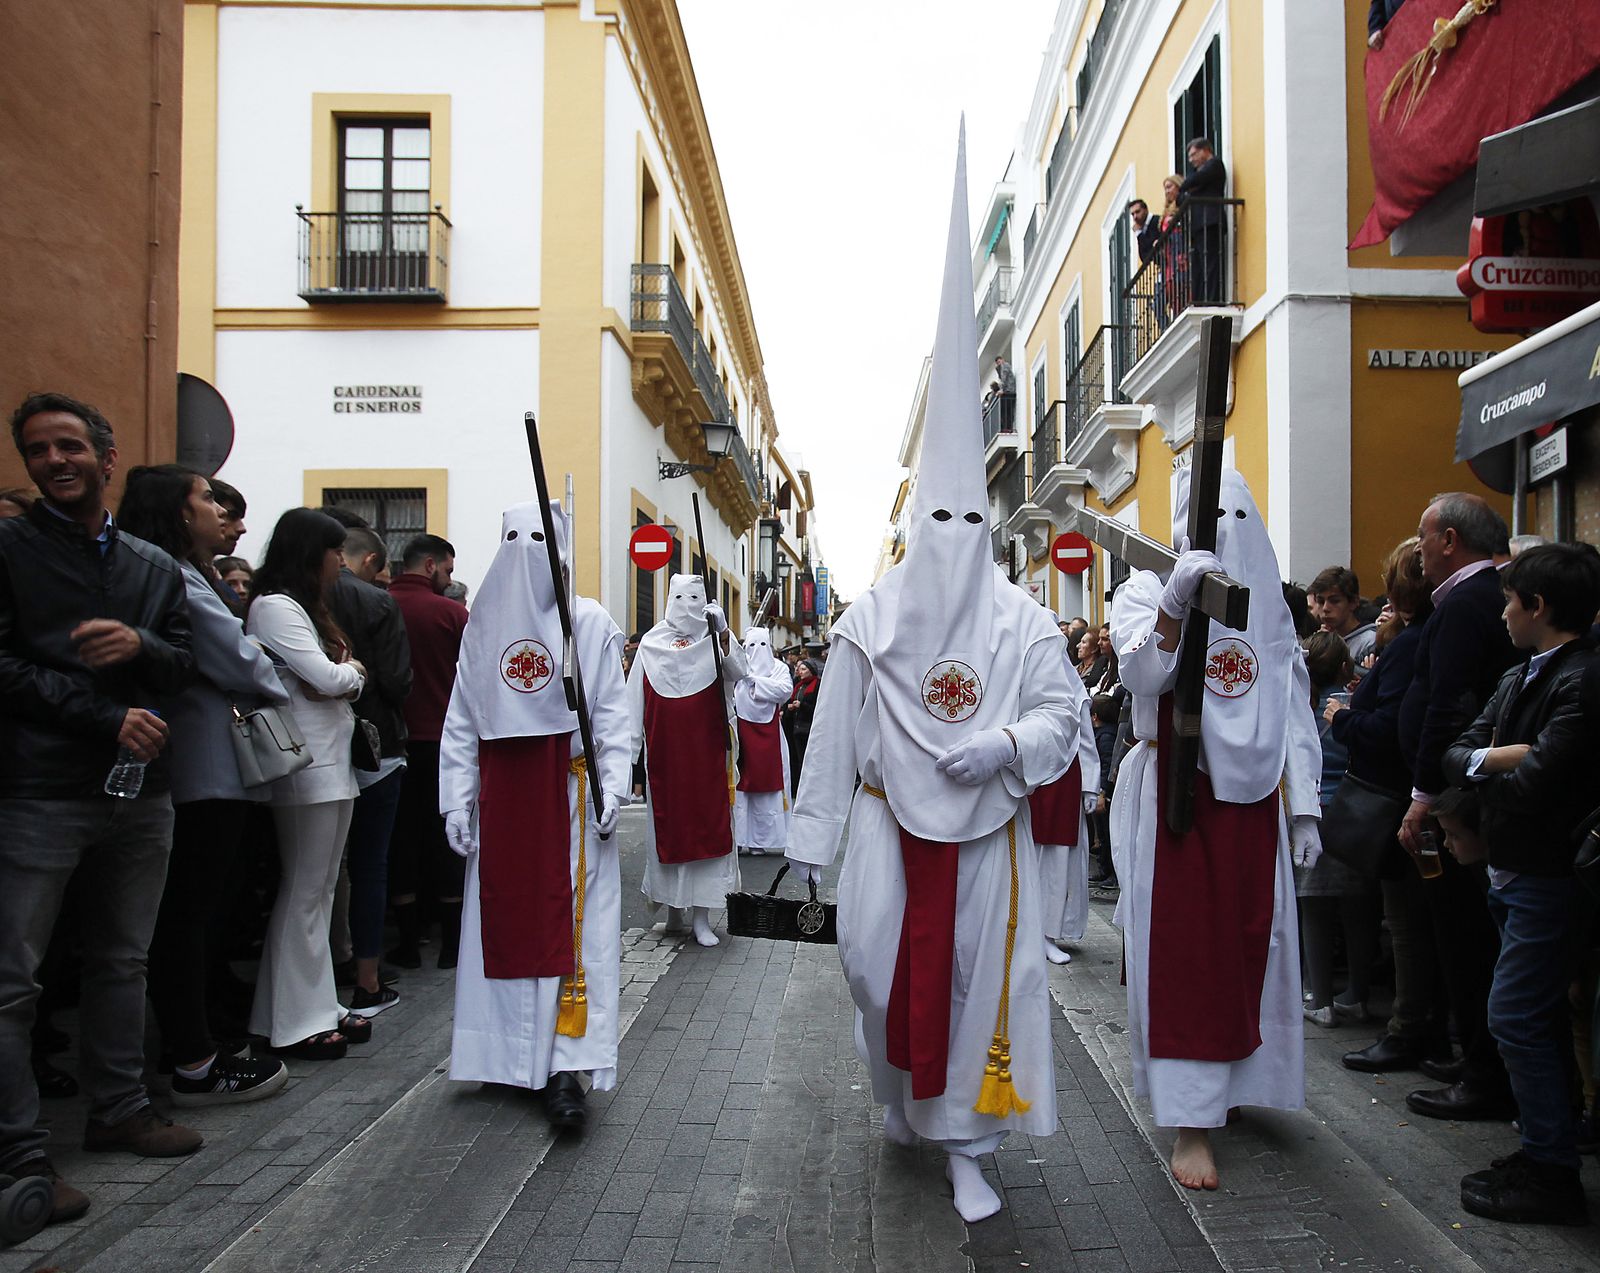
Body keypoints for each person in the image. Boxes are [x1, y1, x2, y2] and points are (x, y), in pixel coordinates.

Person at [785, 134, 1077, 1225]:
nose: (954, 535)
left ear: (989, 525)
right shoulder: (866, 620)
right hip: (878, 824)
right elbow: (830, 733)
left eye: (970, 518)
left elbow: (1060, 719)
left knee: (977, 984)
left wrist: (1005, 746)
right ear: (915, 523)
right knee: (874, 968)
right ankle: (904, 1099)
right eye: (937, 517)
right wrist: (808, 846)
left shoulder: (1024, 618)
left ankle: (968, 1141)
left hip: (985, 830)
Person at [0, 393, 200, 1226]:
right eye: (39, 449)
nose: (56, 460)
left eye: (70, 446)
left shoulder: (151, 566)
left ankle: (120, 1109)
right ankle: (20, 1153)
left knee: (124, 958)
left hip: (139, 791)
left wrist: (143, 647)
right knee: (13, 980)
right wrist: (104, 714)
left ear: (106, 458)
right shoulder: (10, 549)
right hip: (38, 787)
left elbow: (182, 664)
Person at [1109, 467, 1321, 1192]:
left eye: (1238, 514)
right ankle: (1191, 1119)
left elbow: (1292, 705)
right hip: (1176, 791)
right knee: (1187, 953)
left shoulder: (1271, 610)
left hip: (1255, 801)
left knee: (1251, 945)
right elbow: (1141, 676)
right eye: (1211, 516)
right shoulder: (1141, 588)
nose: (1225, 529)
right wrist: (1174, 603)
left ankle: (1242, 1083)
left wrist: (1306, 807)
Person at [441, 501, 629, 1132]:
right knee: (506, 924)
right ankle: (507, 1056)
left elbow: (611, 715)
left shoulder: (589, 622)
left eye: (540, 540)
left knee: (571, 939)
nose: (525, 551)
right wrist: (455, 796)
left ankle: (563, 1065)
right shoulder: (484, 626)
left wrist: (613, 786)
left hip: (570, 801)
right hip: (507, 804)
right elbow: (463, 717)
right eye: (512, 539)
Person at [117, 465, 291, 1104]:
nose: (220, 510)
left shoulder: (182, 572)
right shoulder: (178, 576)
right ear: (176, 510)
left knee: (196, 911)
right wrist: (270, 673)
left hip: (201, 762)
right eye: (206, 498)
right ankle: (193, 1059)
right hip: (202, 765)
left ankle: (196, 1044)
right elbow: (239, 659)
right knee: (191, 913)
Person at [1443, 543, 1600, 1225]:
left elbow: (1541, 785)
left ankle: (1551, 1166)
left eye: (1511, 601)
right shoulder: (1521, 676)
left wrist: (1493, 765)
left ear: (1538, 607)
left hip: (1548, 873)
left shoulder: (1583, 678)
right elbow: (1458, 749)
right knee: (1536, 1015)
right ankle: (1546, 1146)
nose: (1503, 612)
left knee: (1514, 1014)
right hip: (1513, 870)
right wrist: (1501, 755)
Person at [1396, 493, 1518, 1121]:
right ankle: (1472, 1052)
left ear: (1448, 539)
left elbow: (1448, 705)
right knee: (1461, 936)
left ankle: (1484, 1071)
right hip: (1458, 796)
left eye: (1423, 537)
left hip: (1460, 805)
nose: (1417, 549)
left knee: (1469, 939)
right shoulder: (1473, 600)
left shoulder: (1469, 603)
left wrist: (1423, 800)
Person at [245, 508, 370, 1060]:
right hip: (304, 767)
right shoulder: (275, 607)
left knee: (315, 893)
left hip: (326, 763)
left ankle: (308, 1004)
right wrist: (352, 674)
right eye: (334, 550)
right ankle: (297, 1020)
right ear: (309, 552)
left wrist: (343, 679)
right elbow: (329, 677)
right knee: (304, 892)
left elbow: (330, 682)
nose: (340, 561)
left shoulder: (298, 607)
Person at [1333, 538, 1449, 1075]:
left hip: (1397, 800)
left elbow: (1389, 726)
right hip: (1412, 797)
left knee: (1407, 924)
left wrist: (1343, 717)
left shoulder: (1411, 644)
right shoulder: (1412, 639)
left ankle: (1409, 1027)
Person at [627, 573, 748, 947]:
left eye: (694, 597)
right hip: (664, 760)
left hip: (708, 757)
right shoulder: (651, 644)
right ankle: (674, 913)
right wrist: (627, 758)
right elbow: (633, 704)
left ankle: (702, 916)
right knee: (667, 833)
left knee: (709, 834)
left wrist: (724, 635)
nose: (687, 604)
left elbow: (739, 673)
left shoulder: (714, 642)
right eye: (680, 596)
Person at [325, 520, 411, 1016]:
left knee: (318, 872)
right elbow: (398, 680)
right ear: (371, 561)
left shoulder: (292, 600)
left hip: (311, 749)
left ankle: (327, 965)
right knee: (369, 863)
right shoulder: (377, 602)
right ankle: (367, 977)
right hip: (375, 745)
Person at [388, 534, 469, 969]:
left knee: (402, 840)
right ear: (431, 565)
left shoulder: (381, 605)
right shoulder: (451, 614)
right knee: (446, 839)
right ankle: (452, 944)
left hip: (394, 742)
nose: (448, 578)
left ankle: (408, 940)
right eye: (448, 571)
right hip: (442, 740)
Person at [1296, 631, 1380, 1027]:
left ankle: (1320, 997)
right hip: (1355, 812)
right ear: (1346, 667)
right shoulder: (1352, 707)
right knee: (1358, 908)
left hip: (1314, 810)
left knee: (1313, 908)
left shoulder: (1300, 708)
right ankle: (1358, 995)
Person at [1035, 634, 1100, 965]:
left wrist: (1091, 783)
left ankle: (1048, 932)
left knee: (1058, 858)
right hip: (1028, 775)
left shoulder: (1069, 684)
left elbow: (1084, 736)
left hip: (1062, 778)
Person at [733, 627, 793, 856]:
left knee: (768, 787)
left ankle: (760, 841)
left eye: (762, 645)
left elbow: (785, 690)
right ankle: (738, 838)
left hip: (771, 738)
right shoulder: (739, 666)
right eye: (751, 645)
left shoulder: (778, 668)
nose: (756, 650)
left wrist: (754, 681)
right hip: (742, 734)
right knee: (741, 786)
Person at [1178, 138, 1227, 305]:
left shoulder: (1215, 165)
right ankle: (1199, 300)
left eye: (1193, 155)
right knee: (1199, 267)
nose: (1191, 160)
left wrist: (1186, 187)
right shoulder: (1202, 175)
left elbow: (1192, 182)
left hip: (1211, 222)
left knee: (1211, 264)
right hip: (1200, 225)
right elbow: (1181, 198)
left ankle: (1212, 300)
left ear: (1205, 150)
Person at [1308, 566, 1377, 672]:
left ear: (1353, 602)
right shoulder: (1319, 638)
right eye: (1321, 601)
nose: (1325, 608)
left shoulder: (1370, 642)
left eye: (1334, 601)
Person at [783, 656, 821, 795]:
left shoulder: (817, 685)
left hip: (809, 727)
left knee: (810, 759)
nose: (800, 672)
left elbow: (817, 707)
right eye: (800, 669)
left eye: (804, 669)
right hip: (797, 727)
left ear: (811, 671)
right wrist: (789, 709)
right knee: (799, 759)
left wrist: (802, 706)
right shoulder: (798, 686)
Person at [1158, 175, 1188, 318]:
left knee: (1181, 284)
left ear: (1178, 186)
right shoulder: (1166, 212)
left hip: (1179, 251)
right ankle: (1177, 314)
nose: (1167, 191)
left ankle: (1182, 312)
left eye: (1169, 187)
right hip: (1170, 255)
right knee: (1172, 287)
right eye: (1165, 188)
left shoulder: (1181, 208)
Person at [1130, 198, 1161, 266]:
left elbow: (1151, 245)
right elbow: (1144, 257)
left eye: (1137, 212)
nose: (1135, 217)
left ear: (1146, 210)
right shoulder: (1142, 230)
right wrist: (1139, 233)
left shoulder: (1157, 221)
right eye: (1132, 214)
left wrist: (1139, 234)